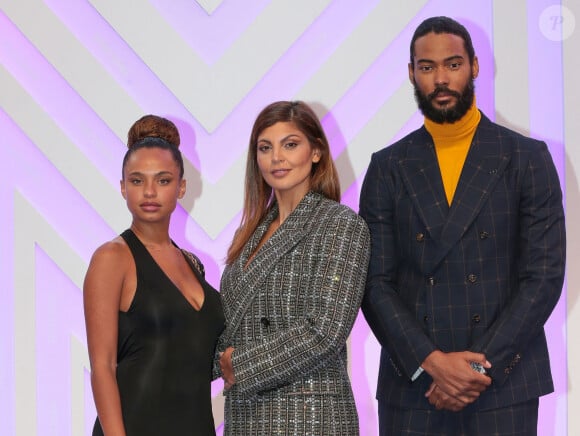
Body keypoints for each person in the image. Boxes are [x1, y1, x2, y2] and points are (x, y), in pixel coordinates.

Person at [359, 16, 566, 435]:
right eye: (427, 67)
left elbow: (543, 277)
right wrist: (432, 364)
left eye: (452, 64)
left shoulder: (527, 158)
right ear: (412, 73)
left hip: (502, 382)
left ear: (474, 65)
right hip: (415, 385)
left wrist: (474, 368)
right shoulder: (387, 167)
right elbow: (374, 282)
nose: (440, 79)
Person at [216, 100, 370, 435]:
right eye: (265, 147)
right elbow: (230, 325)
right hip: (246, 417)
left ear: (316, 152)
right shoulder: (249, 234)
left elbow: (324, 331)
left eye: (290, 144)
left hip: (309, 416)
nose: (276, 158)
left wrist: (239, 365)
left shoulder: (340, 224)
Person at [84, 115, 224, 435]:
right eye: (137, 180)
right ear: (122, 188)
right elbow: (102, 367)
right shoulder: (112, 258)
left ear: (181, 187)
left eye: (162, 180)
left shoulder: (192, 264)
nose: (149, 191)